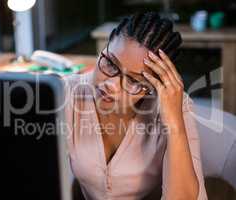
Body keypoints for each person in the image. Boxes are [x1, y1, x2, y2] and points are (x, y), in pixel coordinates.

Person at [62, 12, 208, 200]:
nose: (111, 85)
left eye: (133, 81)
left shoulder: (176, 107)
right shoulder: (67, 92)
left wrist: (174, 123)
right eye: (110, 63)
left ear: (154, 87)